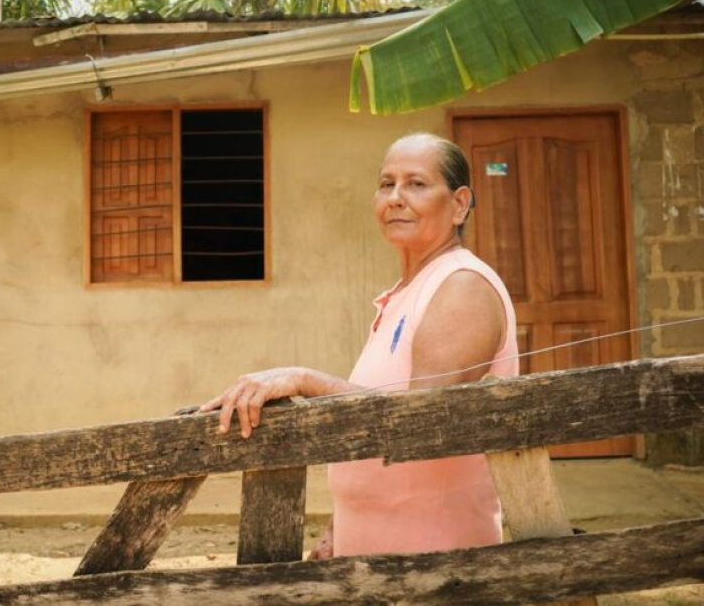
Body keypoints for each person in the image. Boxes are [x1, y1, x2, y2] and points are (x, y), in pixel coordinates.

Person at [198, 133, 519, 559]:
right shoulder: (406, 293)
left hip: (437, 564)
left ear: (459, 204)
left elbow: (417, 426)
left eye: (417, 184)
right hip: (376, 561)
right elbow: (375, 432)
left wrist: (303, 379)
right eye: (386, 184)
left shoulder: (461, 287)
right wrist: (336, 532)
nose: (396, 198)